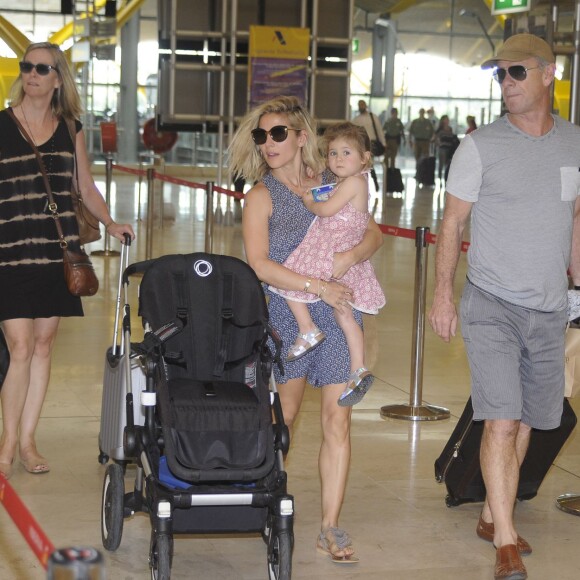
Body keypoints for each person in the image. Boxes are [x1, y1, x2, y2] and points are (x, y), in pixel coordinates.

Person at [428, 33, 580, 580]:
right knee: (502, 418)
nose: (507, 82)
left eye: (516, 71)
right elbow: (451, 224)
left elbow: (576, 221)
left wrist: (578, 292)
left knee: (531, 423)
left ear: (548, 74)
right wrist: (443, 294)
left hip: (549, 310)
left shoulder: (575, 144)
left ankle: (494, 512)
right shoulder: (481, 146)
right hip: (491, 303)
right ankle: (507, 542)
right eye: (499, 74)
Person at [229, 96, 383, 563]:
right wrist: (317, 282)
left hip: (338, 310)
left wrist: (349, 260)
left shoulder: (332, 182)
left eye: (278, 133)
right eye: (261, 135)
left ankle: (330, 525)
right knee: (286, 417)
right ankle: (266, 500)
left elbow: (373, 231)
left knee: (339, 418)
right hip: (286, 314)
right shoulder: (260, 195)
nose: (269, 143)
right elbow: (259, 264)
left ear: (300, 137)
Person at [0, 42, 135, 480]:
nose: (32, 74)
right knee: (19, 347)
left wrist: (111, 222)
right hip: (9, 251)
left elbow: (85, 187)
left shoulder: (70, 128)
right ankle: (6, 446)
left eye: (42, 68)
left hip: (55, 252)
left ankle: (27, 441)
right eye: (27, 66)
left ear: (58, 78)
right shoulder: (2, 125)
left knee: (42, 347)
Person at [268, 122, 386, 406]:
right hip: (342, 251)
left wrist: (309, 202)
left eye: (346, 153)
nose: (338, 159)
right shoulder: (345, 182)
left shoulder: (354, 183)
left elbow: (327, 209)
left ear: (364, 158)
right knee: (344, 313)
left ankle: (307, 327)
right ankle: (358, 368)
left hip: (330, 248)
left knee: (287, 279)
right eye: (333, 153)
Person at [352, 99, 384, 192]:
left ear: (365, 106)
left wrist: (384, 143)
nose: (361, 106)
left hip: (372, 143)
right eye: (359, 105)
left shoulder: (373, 117)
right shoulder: (356, 119)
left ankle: (375, 184)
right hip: (362, 144)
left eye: (362, 104)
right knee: (367, 164)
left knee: (370, 164)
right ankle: (373, 184)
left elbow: (379, 130)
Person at [434, 115, 459, 182]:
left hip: (449, 149)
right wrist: (439, 144)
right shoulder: (440, 129)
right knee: (441, 165)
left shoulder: (450, 129)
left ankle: (446, 178)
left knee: (447, 165)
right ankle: (439, 179)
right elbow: (435, 138)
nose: (447, 121)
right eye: (446, 119)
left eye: (448, 119)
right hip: (442, 149)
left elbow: (452, 138)